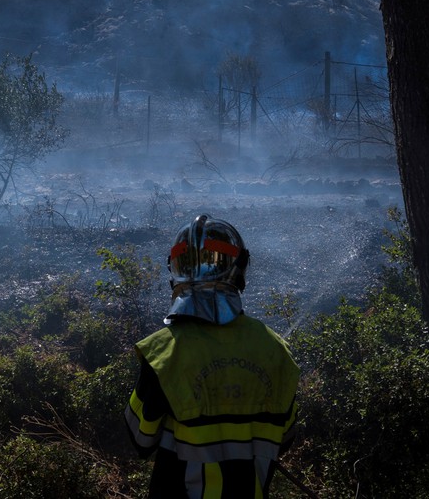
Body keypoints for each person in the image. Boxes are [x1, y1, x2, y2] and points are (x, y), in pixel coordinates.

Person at [125, 213, 300, 498]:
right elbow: (285, 438)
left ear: (175, 270)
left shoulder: (163, 352)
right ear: (239, 267)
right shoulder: (275, 349)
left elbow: (141, 439)